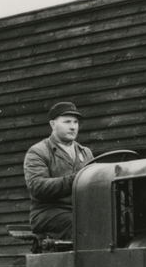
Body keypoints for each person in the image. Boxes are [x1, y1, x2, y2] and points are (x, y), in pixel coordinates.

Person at [23, 101, 94, 240]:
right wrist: (77, 179)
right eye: (67, 122)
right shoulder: (38, 152)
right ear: (53, 124)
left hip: (80, 211)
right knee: (81, 226)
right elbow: (37, 186)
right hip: (48, 212)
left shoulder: (85, 152)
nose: (73, 127)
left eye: (76, 122)